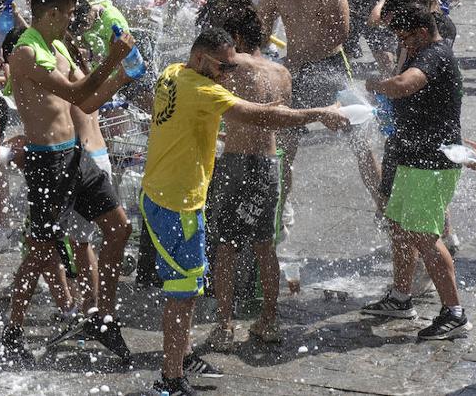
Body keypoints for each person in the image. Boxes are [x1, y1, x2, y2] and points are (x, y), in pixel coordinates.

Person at [143, 28, 349, 396]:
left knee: (188, 287)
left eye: (233, 66)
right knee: (182, 292)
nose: (229, 74)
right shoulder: (203, 88)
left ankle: (183, 357)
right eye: (224, 67)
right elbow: (261, 118)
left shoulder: (172, 72)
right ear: (201, 59)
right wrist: (319, 112)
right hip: (176, 204)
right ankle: (170, 379)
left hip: (172, 194)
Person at [0, 0, 136, 363]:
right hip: (47, 163)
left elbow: (88, 102)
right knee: (42, 250)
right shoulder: (26, 52)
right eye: (71, 13)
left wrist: (122, 76)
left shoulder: (57, 45)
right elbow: (75, 94)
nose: (74, 20)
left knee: (120, 228)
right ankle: (12, 329)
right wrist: (112, 57)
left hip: (77, 156)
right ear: (53, 13)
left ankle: (103, 317)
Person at [360, 0, 469, 340]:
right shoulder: (421, 50)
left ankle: (454, 313)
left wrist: (377, 86)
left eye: (405, 36)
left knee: (425, 236)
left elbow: (406, 85)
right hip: (412, 157)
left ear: (423, 30)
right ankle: (401, 296)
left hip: (432, 162)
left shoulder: (436, 55)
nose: (401, 43)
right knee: (400, 227)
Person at [258, 0, 379, 213]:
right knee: (286, 142)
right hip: (295, 73)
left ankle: (382, 204)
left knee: (359, 140)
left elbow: (341, 33)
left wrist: (302, 57)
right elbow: (259, 32)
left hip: (330, 67)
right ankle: (281, 208)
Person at [204, 3, 290, 350]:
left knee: (225, 246)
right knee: (265, 247)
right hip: (268, 164)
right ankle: (269, 321)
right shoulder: (280, 72)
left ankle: (225, 326)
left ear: (236, 37)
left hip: (235, 162)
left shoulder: (230, 67)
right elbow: (282, 121)